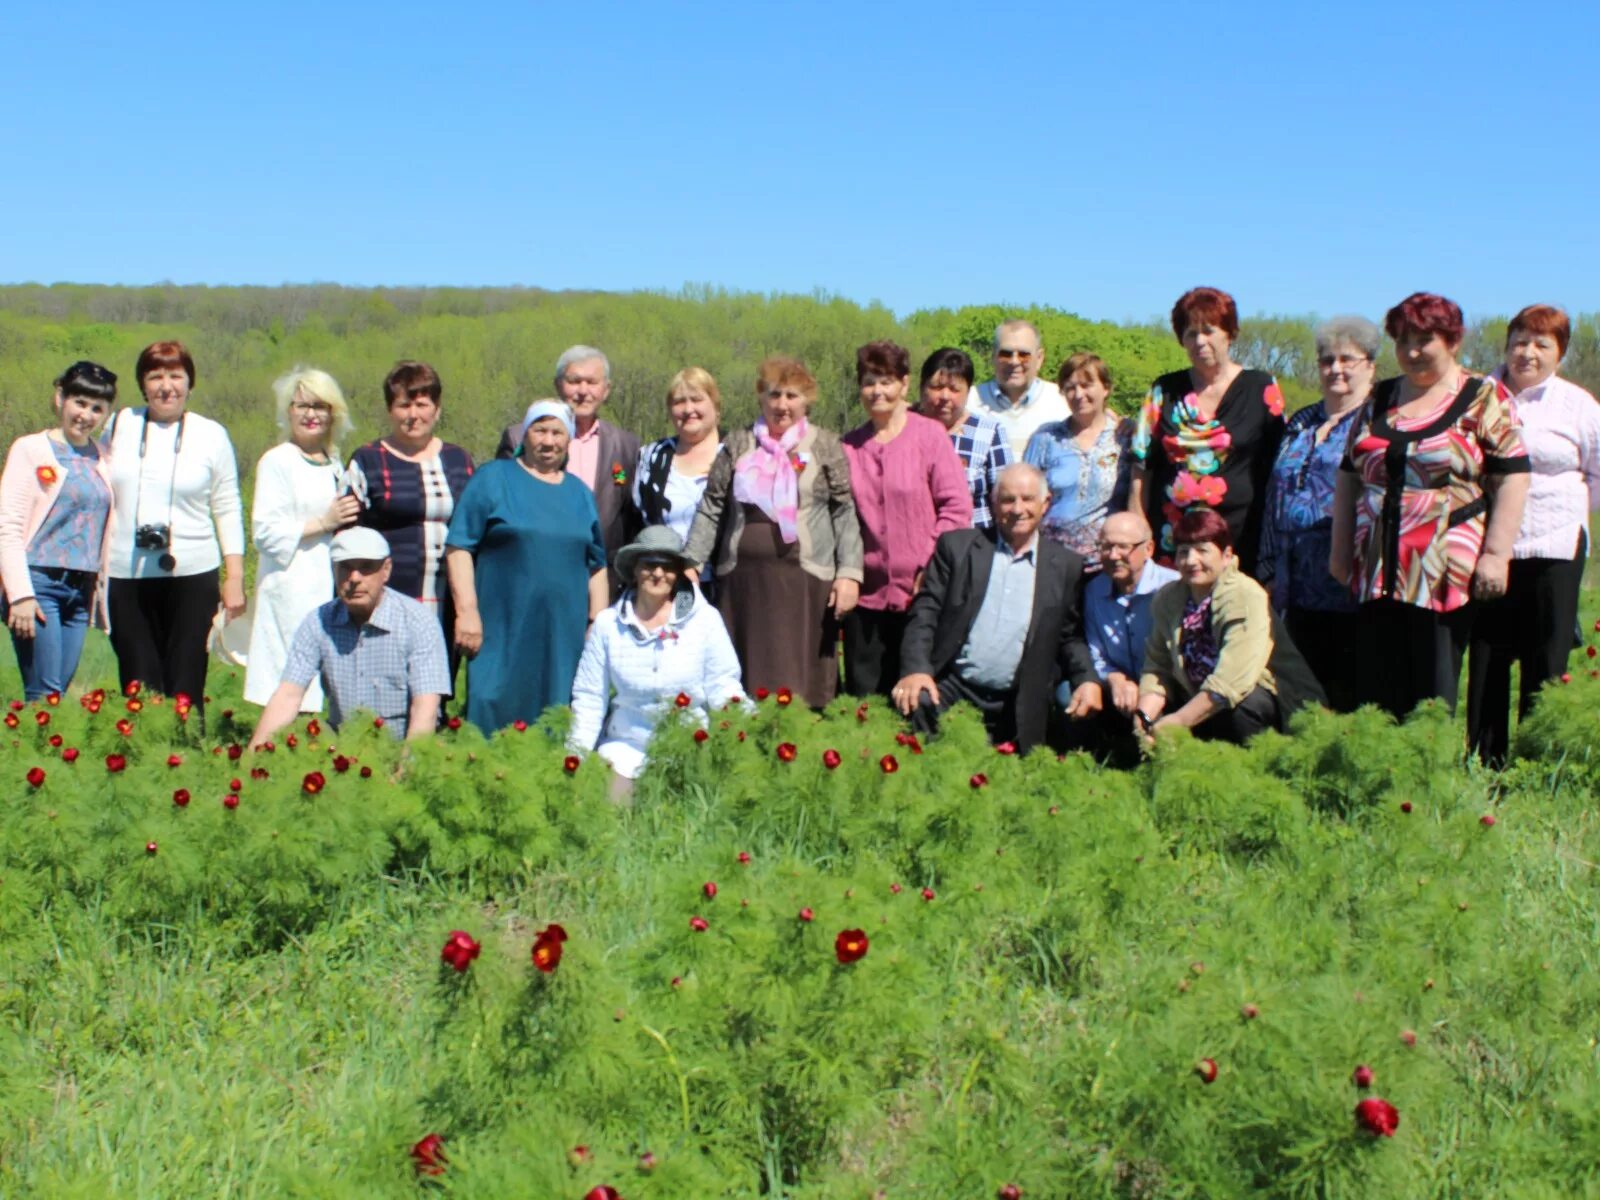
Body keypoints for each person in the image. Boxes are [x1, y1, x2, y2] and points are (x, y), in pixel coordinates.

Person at [1331, 292, 1531, 719]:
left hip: (1443, 569)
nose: (1412, 351)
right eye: (1403, 341)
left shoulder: (1482, 397)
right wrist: (1340, 550)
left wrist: (1497, 554)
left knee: (1431, 689)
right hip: (1376, 567)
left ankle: (1428, 775)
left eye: (1425, 340)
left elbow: (1513, 473)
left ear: (1453, 341)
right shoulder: (1380, 398)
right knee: (1377, 688)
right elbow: (1349, 473)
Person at [684, 356, 863, 708]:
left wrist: (850, 574)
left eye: (792, 396)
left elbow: (843, 510)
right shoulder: (737, 445)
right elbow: (712, 506)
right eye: (774, 394)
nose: (782, 405)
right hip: (743, 586)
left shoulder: (825, 445)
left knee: (804, 685)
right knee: (744, 682)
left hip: (808, 583)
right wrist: (690, 561)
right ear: (760, 397)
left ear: (807, 399)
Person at [1467, 304, 1600, 763]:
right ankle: (1485, 757)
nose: (1528, 353)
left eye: (1542, 344)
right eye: (1520, 341)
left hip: (1555, 541)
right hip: (1487, 542)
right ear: (1505, 346)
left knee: (1547, 651)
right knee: (1488, 652)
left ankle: (1536, 758)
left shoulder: (1578, 405)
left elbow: (1597, 473)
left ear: (1559, 352)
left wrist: (1568, 509)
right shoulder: (1478, 393)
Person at [892, 464, 1101, 753]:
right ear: (993, 505)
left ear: (1046, 503)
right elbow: (924, 612)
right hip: (953, 688)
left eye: (1028, 499)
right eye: (1008, 499)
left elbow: (1069, 636)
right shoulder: (958, 548)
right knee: (921, 718)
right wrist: (916, 669)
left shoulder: (1065, 566)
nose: (1018, 509)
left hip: (1016, 699)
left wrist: (1087, 679)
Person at [447, 400, 608, 733]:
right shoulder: (493, 478)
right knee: (492, 703)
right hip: (502, 627)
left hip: (563, 634)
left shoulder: (579, 493)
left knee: (558, 714)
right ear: (525, 433)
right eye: (540, 430)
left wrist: (597, 623)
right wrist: (467, 610)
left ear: (568, 440)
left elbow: (597, 564)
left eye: (557, 432)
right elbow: (459, 546)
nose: (548, 441)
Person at [103, 341, 246, 708]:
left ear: (190, 383)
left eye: (175, 375)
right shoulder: (119, 424)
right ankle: (141, 759)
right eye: (155, 376)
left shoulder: (211, 434)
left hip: (193, 574)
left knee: (186, 683)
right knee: (138, 683)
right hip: (126, 573)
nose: (166, 386)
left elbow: (227, 506)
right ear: (142, 384)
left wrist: (234, 578)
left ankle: (186, 758)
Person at [1256, 317, 1380, 712]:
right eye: (1327, 360)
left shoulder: (1378, 421)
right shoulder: (1299, 423)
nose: (1336, 369)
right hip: (1293, 578)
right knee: (1300, 683)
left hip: (1348, 577)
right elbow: (1275, 495)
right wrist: (1268, 566)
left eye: (1348, 359)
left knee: (1348, 683)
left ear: (1370, 365)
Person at [840, 340, 972, 696]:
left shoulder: (930, 436)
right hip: (866, 599)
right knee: (865, 704)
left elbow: (956, 508)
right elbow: (840, 517)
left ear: (903, 384)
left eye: (886, 381)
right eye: (869, 382)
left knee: (917, 701)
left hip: (923, 596)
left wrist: (930, 565)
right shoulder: (848, 447)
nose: (877, 391)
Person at [1129, 287, 1286, 575]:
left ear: (1230, 333)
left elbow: (1278, 465)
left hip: (1239, 538)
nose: (1200, 341)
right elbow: (1142, 463)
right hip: (1172, 540)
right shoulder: (1164, 390)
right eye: (1190, 333)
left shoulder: (1261, 388)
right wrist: (1137, 527)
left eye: (1209, 331)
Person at [569, 527, 744, 780]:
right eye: (650, 564)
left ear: (678, 573)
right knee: (609, 813)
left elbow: (724, 686)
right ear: (635, 570)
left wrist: (747, 734)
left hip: (689, 750)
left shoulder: (705, 620)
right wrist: (576, 758)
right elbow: (590, 698)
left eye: (668, 566)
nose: (659, 574)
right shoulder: (608, 625)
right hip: (623, 753)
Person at [1136, 510, 1324, 745]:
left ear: (1226, 555)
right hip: (1203, 699)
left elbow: (1231, 682)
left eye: (1202, 550)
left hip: (1270, 701)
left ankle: (1255, 773)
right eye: (1183, 552)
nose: (1191, 560)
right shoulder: (1168, 598)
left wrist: (1178, 721)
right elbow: (1157, 666)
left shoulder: (1245, 595)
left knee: (1244, 706)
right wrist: (1144, 718)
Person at [248, 528, 450, 746]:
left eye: (366, 568)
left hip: (402, 746)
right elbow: (288, 696)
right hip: (343, 753)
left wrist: (406, 769)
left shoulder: (418, 622)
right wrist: (252, 761)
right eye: (345, 568)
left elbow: (425, 709)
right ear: (333, 569)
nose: (354, 578)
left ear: (386, 570)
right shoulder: (318, 622)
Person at [345, 361, 475, 699]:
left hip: (447, 596)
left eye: (422, 404)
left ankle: (430, 746)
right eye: (404, 404)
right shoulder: (368, 459)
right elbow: (347, 538)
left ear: (437, 408)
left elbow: (474, 527)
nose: (413, 414)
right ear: (390, 410)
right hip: (388, 597)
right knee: (384, 688)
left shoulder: (460, 460)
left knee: (436, 686)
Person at [0, 362, 118, 700]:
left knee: (57, 694)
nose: (87, 414)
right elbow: (7, 526)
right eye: (79, 402)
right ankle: (33, 754)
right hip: (39, 586)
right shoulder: (31, 450)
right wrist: (20, 595)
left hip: (80, 594)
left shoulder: (105, 458)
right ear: (60, 399)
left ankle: (35, 750)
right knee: (45, 694)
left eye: (97, 408)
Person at [243, 367, 358, 711]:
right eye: (301, 406)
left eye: (319, 406)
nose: (311, 414)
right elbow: (265, 532)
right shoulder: (276, 462)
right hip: (290, 582)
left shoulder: (336, 463)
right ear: (288, 412)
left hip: (330, 581)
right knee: (291, 673)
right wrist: (323, 522)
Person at [496, 345, 640, 590]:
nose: (583, 391)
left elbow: (629, 516)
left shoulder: (626, 444)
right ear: (558, 385)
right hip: (536, 574)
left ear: (606, 390)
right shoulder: (518, 438)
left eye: (592, 382)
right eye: (574, 381)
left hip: (605, 580)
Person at [1060, 511, 1179, 758]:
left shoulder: (1173, 588)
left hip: (1166, 690)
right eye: (1105, 546)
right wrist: (1115, 678)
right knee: (1067, 693)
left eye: (1123, 547)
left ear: (1149, 548)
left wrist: (1150, 691)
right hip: (1117, 692)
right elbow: (1096, 652)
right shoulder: (1094, 590)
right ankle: (1088, 760)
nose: (1113, 556)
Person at [1023, 352, 1131, 568]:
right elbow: (1026, 495)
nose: (1078, 394)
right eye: (1070, 387)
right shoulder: (1046, 438)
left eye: (1086, 385)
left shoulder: (1125, 437)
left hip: (1107, 562)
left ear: (1106, 388)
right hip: (1052, 560)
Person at [633, 367, 723, 592]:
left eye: (697, 399)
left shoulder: (738, 455)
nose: (688, 409)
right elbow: (628, 505)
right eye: (679, 402)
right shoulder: (650, 456)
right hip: (662, 582)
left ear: (715, 405)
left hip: (727, 586)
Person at [915, 347, 1012, 530]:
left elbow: (1005, 498)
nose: (945, 396)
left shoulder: (989, 432)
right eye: (936, 387)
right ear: (921, 387)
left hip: (972, 546)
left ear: (968, 392)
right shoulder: (904, 427)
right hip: (915, 544)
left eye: (954, 389)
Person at [966, 319, 1069, 458]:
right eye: (1006, 354)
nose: (1014, 361)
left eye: (1024, 354)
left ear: (1039, 358)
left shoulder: (1063, 401)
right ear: (993, 357)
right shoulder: (969, 401)